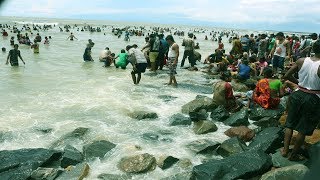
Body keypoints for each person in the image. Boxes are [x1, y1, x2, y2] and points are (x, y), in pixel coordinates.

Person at [281, 39, 320, 161]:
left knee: (290, 123)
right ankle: (294, 155)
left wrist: (299, 84)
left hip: (298, 94)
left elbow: (286, 76)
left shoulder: (301, 60)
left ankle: (285, 150)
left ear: (313, 48)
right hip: (313, 97)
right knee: (303, 128)